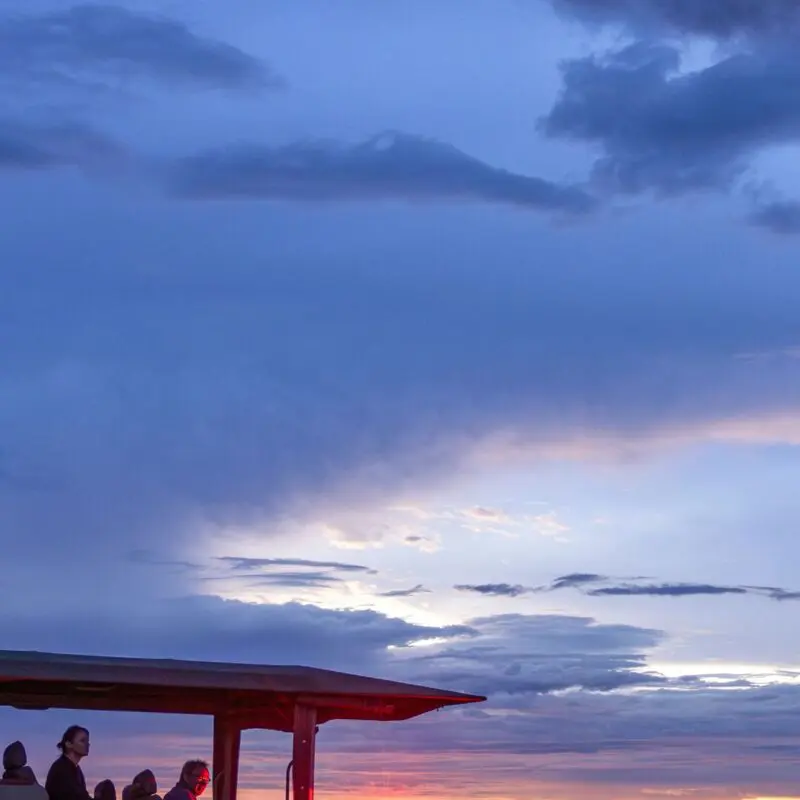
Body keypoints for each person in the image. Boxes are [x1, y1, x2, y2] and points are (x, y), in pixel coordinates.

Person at [45, 726, 93, 800]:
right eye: (83, 741)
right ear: (68, 744)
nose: (88, 744)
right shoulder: (61, 768)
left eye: (88, 741)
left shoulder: (75, 769)